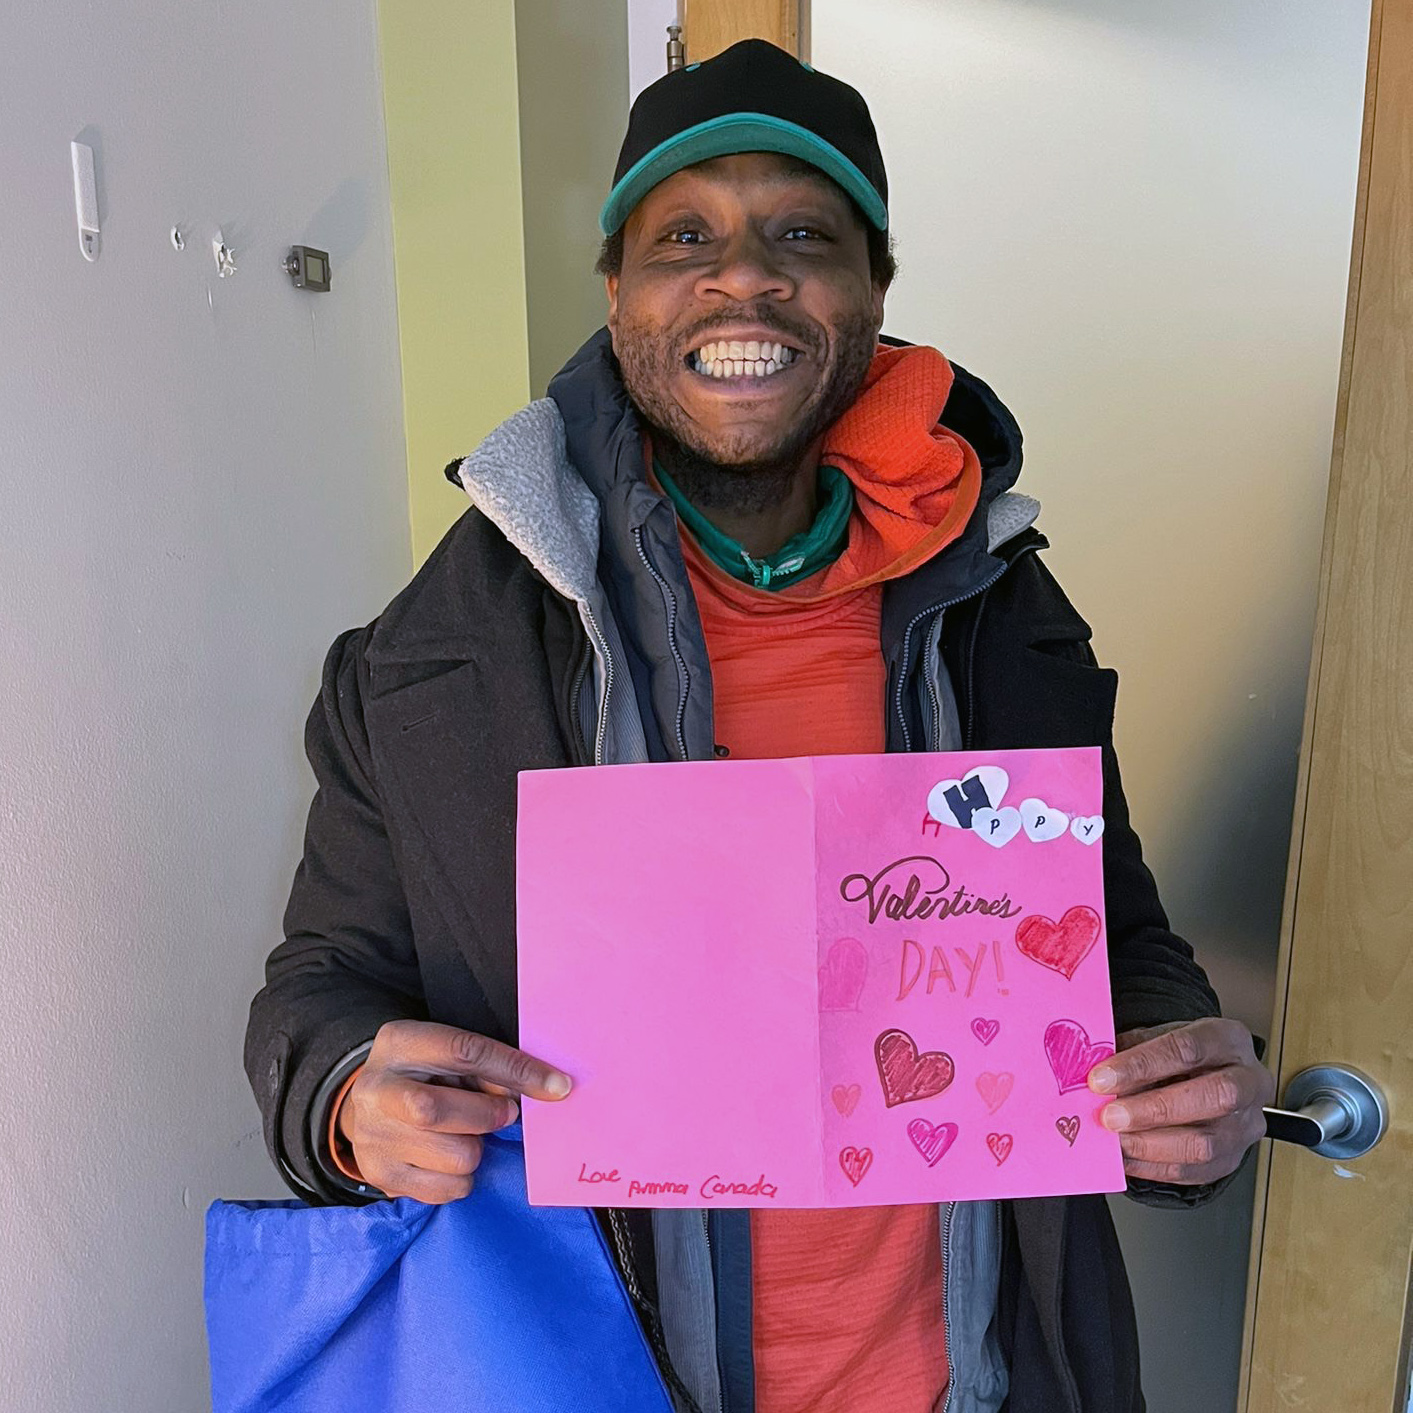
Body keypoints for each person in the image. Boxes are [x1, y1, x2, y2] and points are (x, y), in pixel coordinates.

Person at [245, 38, 1274, 1413]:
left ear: (871, 289)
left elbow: (1111, 935)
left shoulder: (999, 610)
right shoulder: (438, 657)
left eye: (803, 232)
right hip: (579, 1377)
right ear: (614, 288)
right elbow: (321, 989)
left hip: (968, 1382)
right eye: (685, 235)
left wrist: (1172, 1068)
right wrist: (345, 1100)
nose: (744, 275)